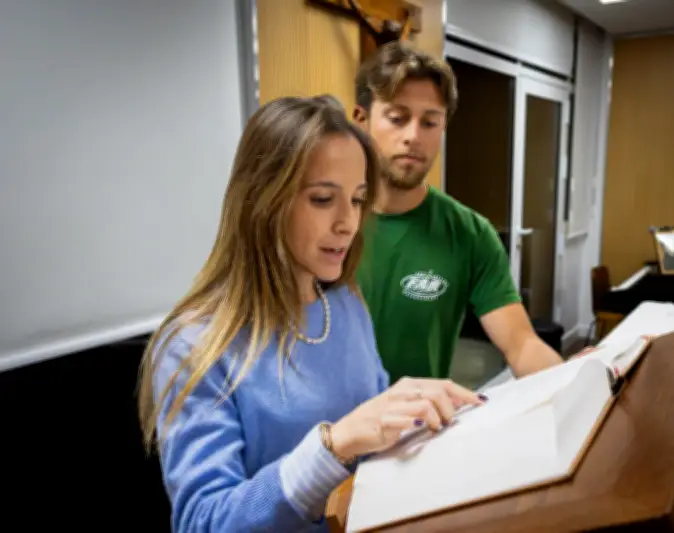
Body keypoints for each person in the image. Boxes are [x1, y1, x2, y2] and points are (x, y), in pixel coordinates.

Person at [137, 95, 485, 532]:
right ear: (265, 201)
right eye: (323, 199)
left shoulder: (345, 304)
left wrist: (414, 418)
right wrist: (334, 445)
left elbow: (373, 437)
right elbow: (202, 522)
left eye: (358, 201)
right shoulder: (193, 345)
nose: (348, 223)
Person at [352, 41, 566, 384]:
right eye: (397, 118)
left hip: (418, 431)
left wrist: (577, 387)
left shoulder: (470, 234)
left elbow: (522, 345)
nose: (413, 136)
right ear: (361, 120)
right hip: (329, 431)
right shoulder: (323, 222)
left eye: (429, 122)